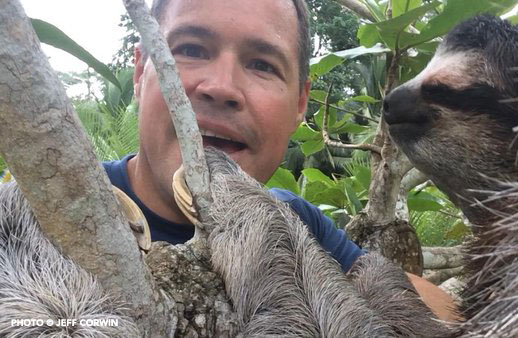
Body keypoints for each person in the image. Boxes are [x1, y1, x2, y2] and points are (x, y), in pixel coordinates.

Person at [102, 0, 457, 322]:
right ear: (139, 72)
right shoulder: (54, 211)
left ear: (300, 104)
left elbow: (454, 318)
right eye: (191, 49)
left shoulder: (297, 223)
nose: (222, 87)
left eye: (262, 65)